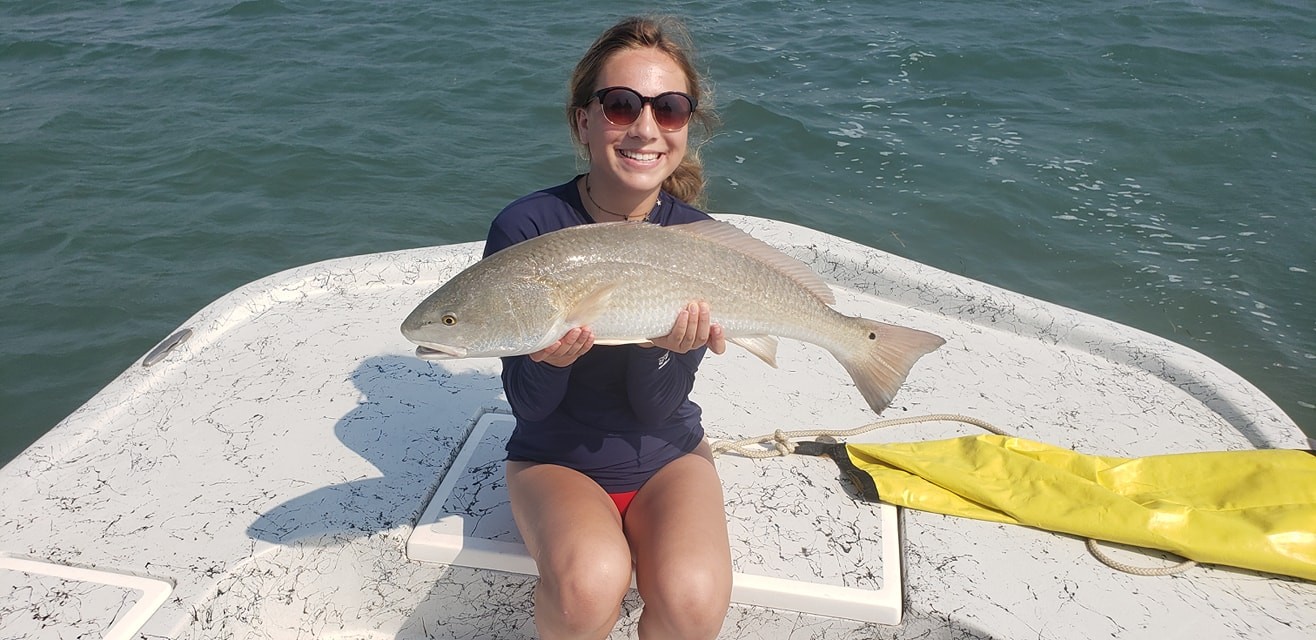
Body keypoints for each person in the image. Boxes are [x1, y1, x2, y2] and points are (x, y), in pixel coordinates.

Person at [482, 15, 732, 640]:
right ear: (583, 121)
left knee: (694, 598)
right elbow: (531, 409)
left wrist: (663, 351)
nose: (645, 127)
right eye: (622, 105)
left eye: (669, 109)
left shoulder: (695, 239)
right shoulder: (528, 229)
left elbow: (658, 407)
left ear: (683, 126)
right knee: (590, 582)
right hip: (555, 460)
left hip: (668, 453)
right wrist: (548, 361)